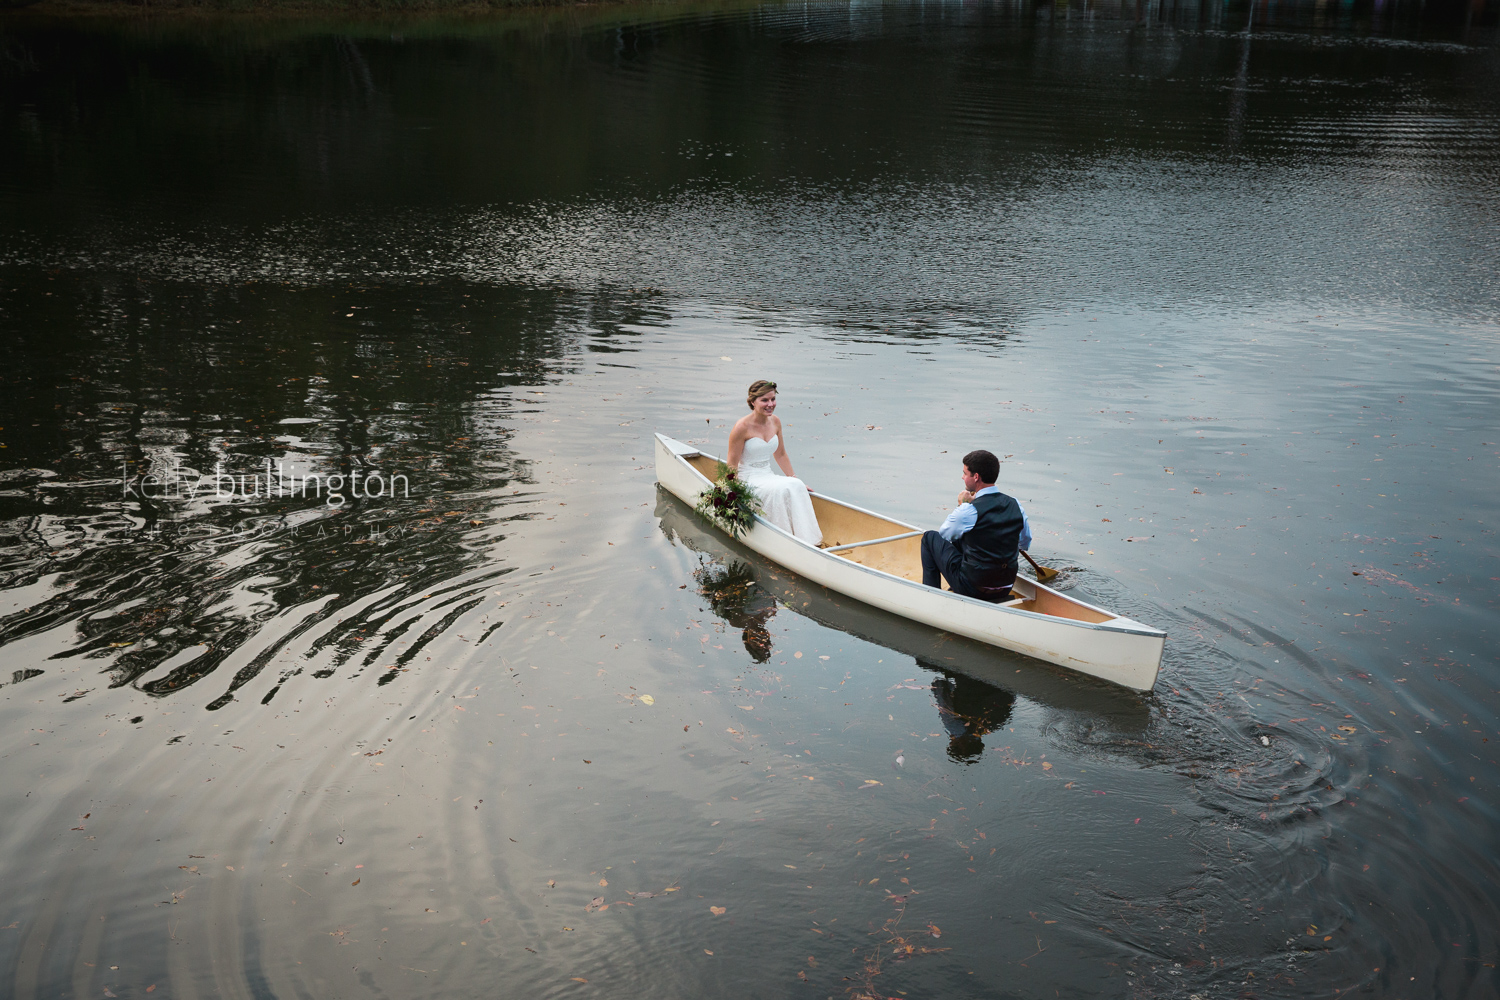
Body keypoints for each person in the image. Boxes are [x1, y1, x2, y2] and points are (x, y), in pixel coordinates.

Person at [920, 449, 1032, 603]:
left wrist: (962, 505)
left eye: (965, 473)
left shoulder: (969, 509)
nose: (962, 477)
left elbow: (945, 534)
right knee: (964, 536)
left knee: (929, 537)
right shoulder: (1015, 505)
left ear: (976, 477)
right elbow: (1025, 543)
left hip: (973, 588)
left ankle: (930, 598)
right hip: (1006, 585)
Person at [726, 380, 822, 545]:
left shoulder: (775, 421)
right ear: (752, 402)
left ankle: (807, 540)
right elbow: (731, 465)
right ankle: (782, 541)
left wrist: (793, 477)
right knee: (782, 488)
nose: (770, 404)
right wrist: (735, 495)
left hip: (767, 474)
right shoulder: (741, 427)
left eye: (772, 399)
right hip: (748, 479)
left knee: (796, 484)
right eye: (764, 400)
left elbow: (781, 454)